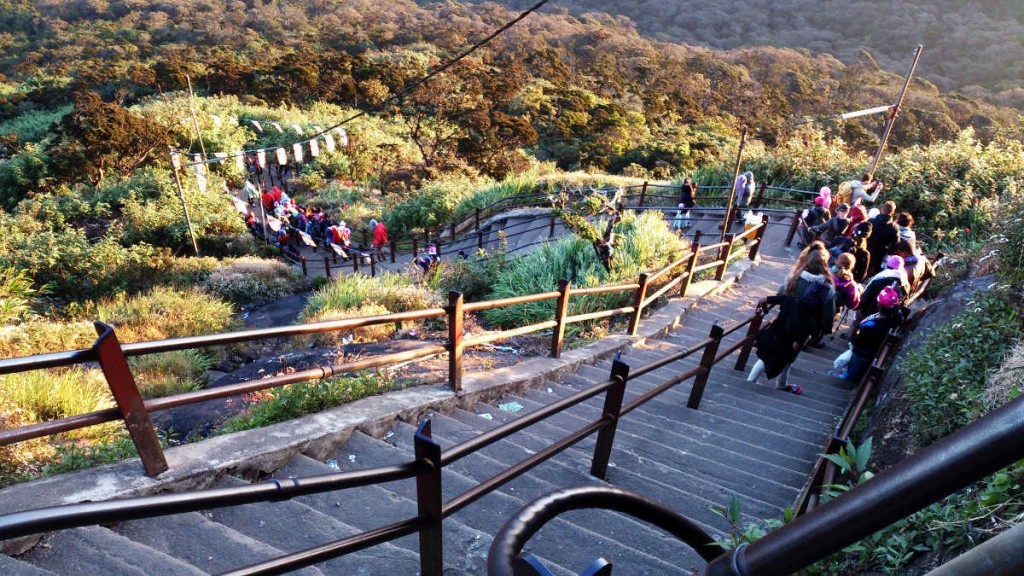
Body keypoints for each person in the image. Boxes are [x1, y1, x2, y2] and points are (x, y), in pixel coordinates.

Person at [746, 242, 835, 394]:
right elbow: (828, 313)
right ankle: (779, 384)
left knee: (771, 353)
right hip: (802, 330)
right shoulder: (827, 289)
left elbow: (781, 295)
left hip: (783, 322)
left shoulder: (794, 278)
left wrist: (768, 302)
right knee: (789, 357)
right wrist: (822, 331)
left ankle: (755, 380)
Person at [830, 286, 902, 381]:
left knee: (853, 370)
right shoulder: (895, 316)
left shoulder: (871, 326)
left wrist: (853, 341)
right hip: (870, 351)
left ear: (879, 305)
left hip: (862, 352)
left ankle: (846, 378)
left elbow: (859, 341)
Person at [866, 201, 899, 276]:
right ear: (893, 212)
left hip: (867, 249)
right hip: (881, 253)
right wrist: (888, 252)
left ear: (882, 209)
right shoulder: (894, 227)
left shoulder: (871, 222)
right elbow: (895, 244)